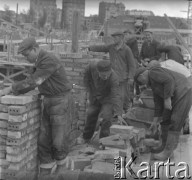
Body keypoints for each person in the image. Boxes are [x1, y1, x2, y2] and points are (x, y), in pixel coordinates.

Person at [0, 37, 74, 175]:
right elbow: (33, 81)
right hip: (49, 101)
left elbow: (33, 82)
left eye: (27, 55)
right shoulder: (39, 61)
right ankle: (46, 169)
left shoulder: (48, 60)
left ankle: (62, 169)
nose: (26, 58)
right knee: (44, 140)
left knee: (59, 139)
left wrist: (10, 89)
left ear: (35, 49)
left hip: (60, 101)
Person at [134, 66, 192, 160]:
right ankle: (164, 146)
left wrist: (167, 98)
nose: (142, 84)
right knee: (165, 119)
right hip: (175, 95)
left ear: (141, 76)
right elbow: (158, 103)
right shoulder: (153, 84)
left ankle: (168, 152)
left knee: (175, 120)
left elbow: (168, 80)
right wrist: (155, 121)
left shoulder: (152, 72)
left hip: (183, 91)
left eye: (140, 82)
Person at [87, 31, 136, 112]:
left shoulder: (126, 49)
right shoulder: (111, 47)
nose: (114, 39)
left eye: (116, 38)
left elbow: (132, 65)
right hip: (113, 76)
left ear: (121, 38)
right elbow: (101, 48)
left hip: (123, 77)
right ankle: (117, 112)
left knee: (124, 96)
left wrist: (131, 77)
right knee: (114, 95)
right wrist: (89, 48)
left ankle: (127, 111)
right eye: (113, 37)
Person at [77, 60, 122, 144]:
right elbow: (86, 75)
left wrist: (118, 113)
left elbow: (115, 95)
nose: (106, 77)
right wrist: (88, 89)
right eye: (103, 75)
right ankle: (86, 137)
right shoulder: (92, 67)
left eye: (107, 75)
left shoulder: (114, 78)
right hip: (95, 95)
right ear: (98, 71)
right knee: (91, 114)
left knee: (106, 117)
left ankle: (103, 141)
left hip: (107, 98)